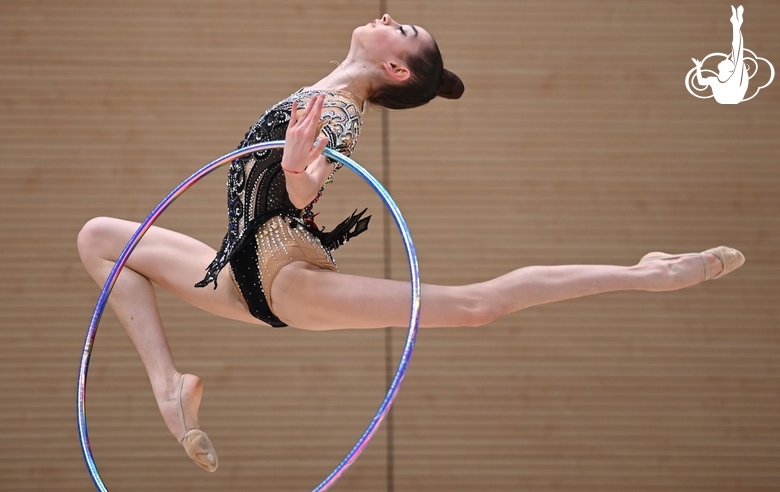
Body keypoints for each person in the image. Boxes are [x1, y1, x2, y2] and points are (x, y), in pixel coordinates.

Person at [77, 14, 745, 472]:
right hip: (235, 269)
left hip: (282, 272)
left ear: (393, 65)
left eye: (401, 29)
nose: (392, 17)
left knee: (476, 306)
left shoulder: (335, 111)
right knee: (101, 239)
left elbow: (309, 187)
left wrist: (295, 173)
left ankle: (648, 273)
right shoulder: (326, 94)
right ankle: (170, 388)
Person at [692, 5, 749, 104]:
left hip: (732, 96)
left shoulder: (729, 78)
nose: (724, 59)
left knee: (737, 51)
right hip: (730, 97)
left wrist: (698, 67)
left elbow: (738, 50)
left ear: (729, 69)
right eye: (728, 61)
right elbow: (701, 82)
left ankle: (736, 23)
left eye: (727, 61)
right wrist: (698, 67)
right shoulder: (716, 80)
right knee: (737, 52)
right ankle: (736, 23)